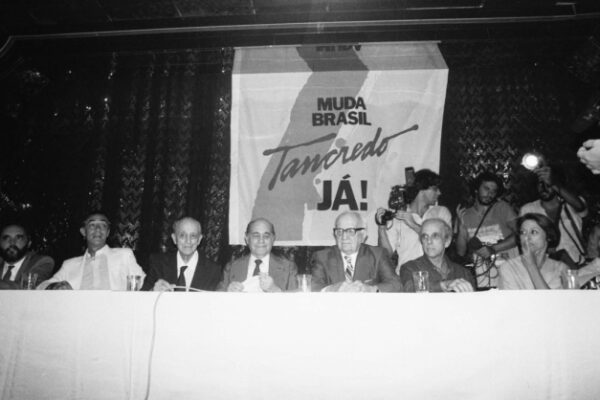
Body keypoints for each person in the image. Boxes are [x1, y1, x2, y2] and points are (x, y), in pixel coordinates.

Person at [37, 212, 144, 290]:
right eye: (92, 225)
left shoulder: (124, 255)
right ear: (83, 232)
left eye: (103, 225)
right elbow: (42, 286)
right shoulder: (70, 265)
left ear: (107, 232)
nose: (98, 229)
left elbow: (142, 282)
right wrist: (56, 286)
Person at [376, 169, 451, 274]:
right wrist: (381, 228)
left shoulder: (441, 213)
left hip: (435, 276)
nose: (439, 192)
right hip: (406, 276)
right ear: (421, 190)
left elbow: (444, 241)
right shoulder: (399, 215)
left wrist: (413, 225)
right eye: (435, 189)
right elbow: (385, 254)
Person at [455, 171, 518, 289]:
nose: (490, 194)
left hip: (509, 276)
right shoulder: (465, 215)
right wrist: (461, 228)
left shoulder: (502, 208)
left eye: (494, 191)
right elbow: (461, 252)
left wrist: (493, 249)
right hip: (482, 280)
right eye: (486, 189)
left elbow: (520, 234)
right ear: (476, 189)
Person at [312, 211, 402, 292]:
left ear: (363, 235)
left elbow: (396, 285)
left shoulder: (378, 255)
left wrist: (371, 289)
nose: (344, 237)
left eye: (350, 231)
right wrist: (331, 289)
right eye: (339, 231)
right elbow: (313, 286)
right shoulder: (322, 257)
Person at [519, 166, 587, 267]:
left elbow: (580, 207)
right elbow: (524, 240)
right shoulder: (528, 209)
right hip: (547, 267)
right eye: (540, 184)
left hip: (578, 264)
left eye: (548, 185)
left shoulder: (570, 204)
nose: (544, 189)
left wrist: (553, 183)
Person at [142, 217, 221, 292]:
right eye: (182, 235)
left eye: (193, 236)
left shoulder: (213, 270)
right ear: (174, 238)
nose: (188, 241)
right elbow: (140, 297)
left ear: (199, 240)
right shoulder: (158, 264)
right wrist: (152, 291)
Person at [218, 218, 297, 292]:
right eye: (256, 236)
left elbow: (297, 300)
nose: (261, 240)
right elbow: (215, 299)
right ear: (247, 238)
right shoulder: (232, 267)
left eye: (266, 236)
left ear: (273, 238)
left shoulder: (288, 268)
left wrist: (275, 290)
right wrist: (227, 293)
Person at [400, 218, 474, 292]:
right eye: (425, 237)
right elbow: (411, 289)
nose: (429, 241)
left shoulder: (463, 273)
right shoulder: (410, 268)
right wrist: (443, 285)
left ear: (447, 241)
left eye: (435, 236)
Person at [499, 213, 569, 290]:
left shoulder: (560, 268)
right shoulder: (509, 267)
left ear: (548, 236)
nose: (526, 238)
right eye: (523, 232)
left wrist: (532, 266)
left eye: (534, 232)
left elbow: (549, 297)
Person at [0, 222, 54, 290]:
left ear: (29, 243)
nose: (12, 242)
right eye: (6, 238)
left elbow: (26, 287)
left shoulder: (42, 262)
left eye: (18, 238)